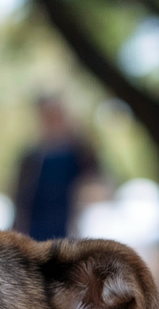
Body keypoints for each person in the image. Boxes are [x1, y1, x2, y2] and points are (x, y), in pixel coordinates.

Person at [11, 95, 100, 241]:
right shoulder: (32, 156)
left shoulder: (79, 151)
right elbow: (21, 196)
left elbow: (94, 183)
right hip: (36, 229)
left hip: (69, 226)